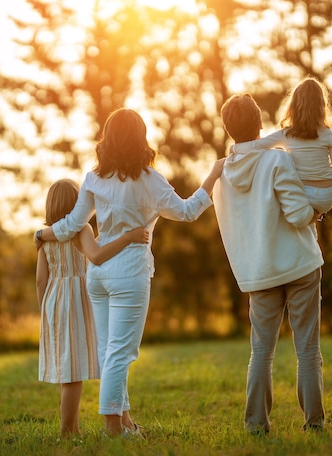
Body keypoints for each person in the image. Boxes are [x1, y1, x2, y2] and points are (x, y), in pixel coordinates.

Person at [34, 108, 225, 438]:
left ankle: (123, 420)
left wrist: (42, 234)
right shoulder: (149, 180)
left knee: (111, 352)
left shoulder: (94, 178)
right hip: (129, 274)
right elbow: (188, 211)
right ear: (141, 138)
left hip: (99, 277)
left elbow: (71, 225)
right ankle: (113, 426)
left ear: (107, 140)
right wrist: (213, 175)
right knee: (120, 354)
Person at [213, 93, 326, 435]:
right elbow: (297, 213)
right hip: (299, 265)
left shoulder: (220, 174)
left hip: (258, 273)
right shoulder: (275, 160)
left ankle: (255, 425)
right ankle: (315, 423)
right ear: (260, 125)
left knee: (260, 351)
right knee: (307, 348)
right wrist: (316, 212)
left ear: (229, 130)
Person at [35, 178, 149, 438]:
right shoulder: (82, 229)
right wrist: (129, 237)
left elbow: (41, 279)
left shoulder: (45, 238)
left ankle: (72, 430)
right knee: (109, 359)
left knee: (70, 373)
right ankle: (93, 427)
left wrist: (44, 309)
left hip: (55, 301)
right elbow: (96, 256)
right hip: (80, 299)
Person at [232, 76, 332, 220]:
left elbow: (256, 146)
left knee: (275, 175)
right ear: (321, 107)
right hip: (327, 197)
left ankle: (307, 216)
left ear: (293, 106)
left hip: (302, 195)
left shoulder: (286, 134)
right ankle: (314, 216)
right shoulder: (327, 134)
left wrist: (235, 149)